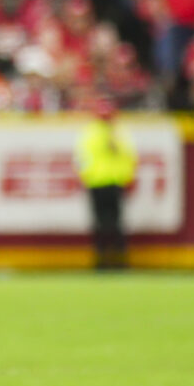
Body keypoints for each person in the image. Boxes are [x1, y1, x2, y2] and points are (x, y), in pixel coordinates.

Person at [74, 97, 137, 270]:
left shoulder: (118, 132)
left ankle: (119, 260)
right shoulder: (93, 132)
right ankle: (102, 260)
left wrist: (128, 177)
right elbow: (82, 158)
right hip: (97, 183)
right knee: (100, 224)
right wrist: (85, 176)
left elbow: (128, 157)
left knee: (116, 224)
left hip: (114, 182)